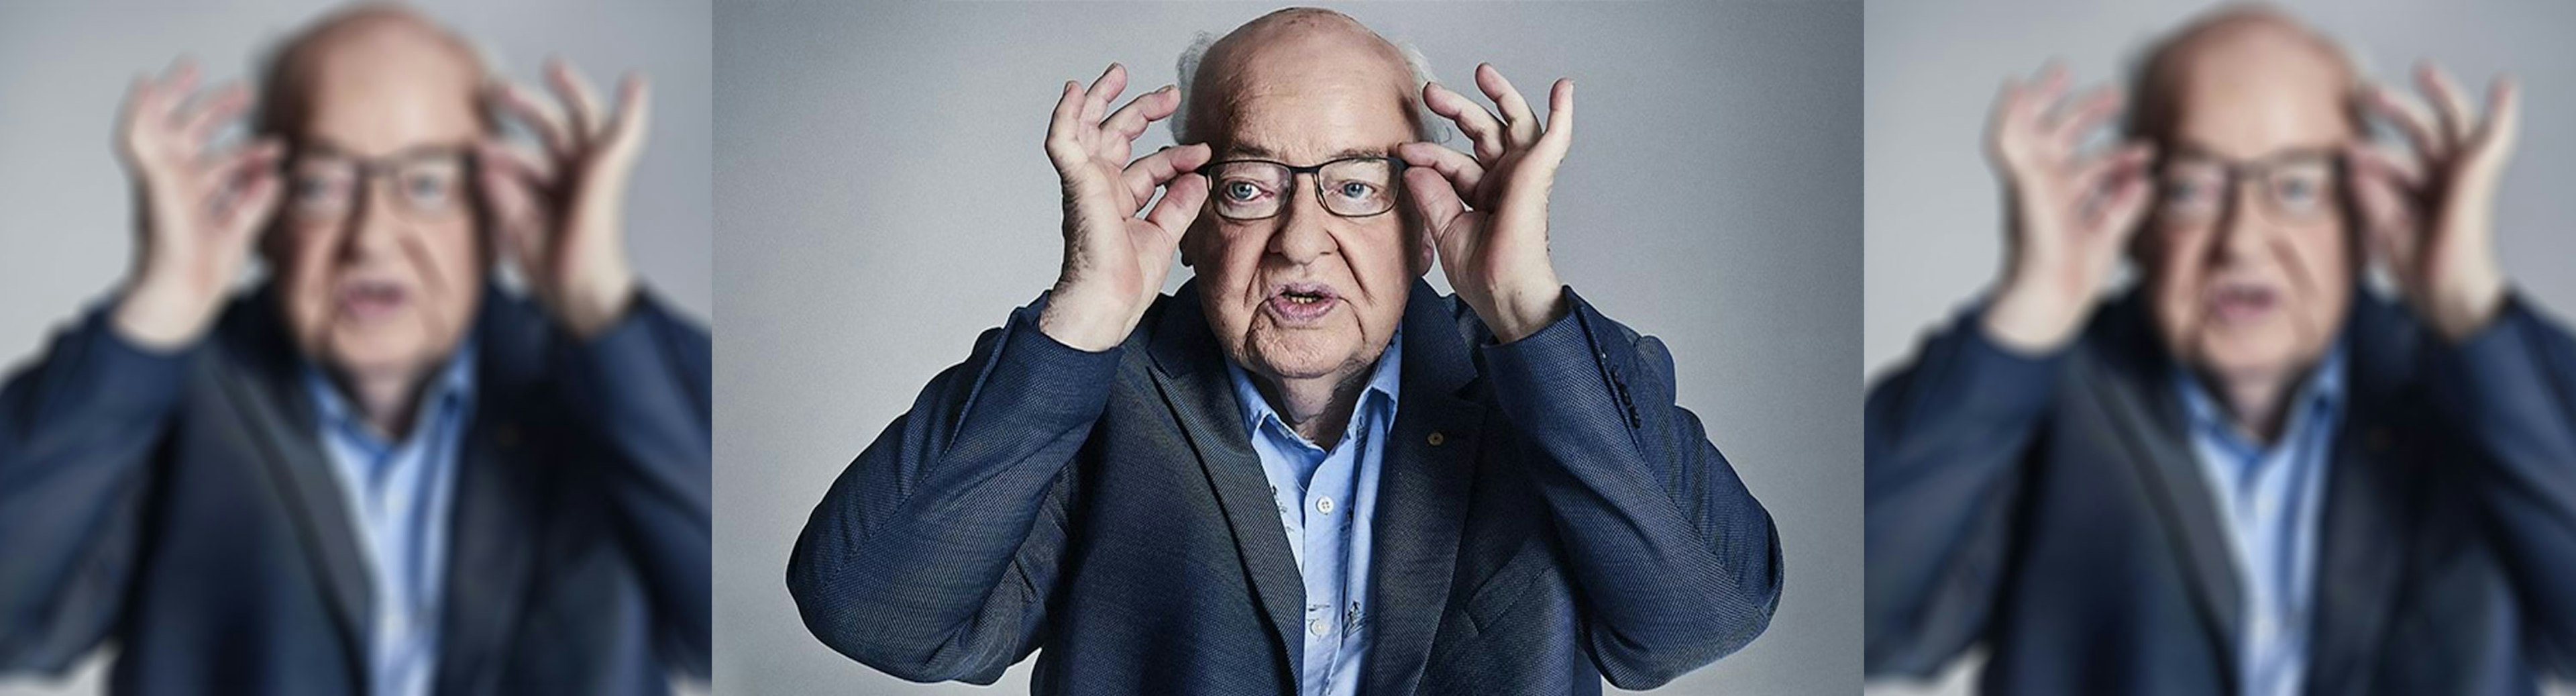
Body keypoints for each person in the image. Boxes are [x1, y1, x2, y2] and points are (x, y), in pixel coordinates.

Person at [787, 7, 1780, 695]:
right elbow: (875, 612)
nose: (1302, 240)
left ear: (1426, 217)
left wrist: (1526, 304)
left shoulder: (1548, 386)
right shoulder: (1099, 399)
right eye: (1252, 185)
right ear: (1191, 213)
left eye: (1355, 185)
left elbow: (1703, 620)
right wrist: (1083, 316)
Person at [1864, 7, 2576, 695]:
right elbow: (1860, 613)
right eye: (2192, 188)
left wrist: (2470, 309)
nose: (2240, 239)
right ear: (2135, 211)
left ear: (2363, 208)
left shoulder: (2471, 390)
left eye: (2295, 186)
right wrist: (2030, 310)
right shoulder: (2048, 395)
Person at [0, 5, 710, 694]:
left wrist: (599, 303)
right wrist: (159, 307)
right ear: (265, 207)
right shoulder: (172, 394)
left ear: (492, 205)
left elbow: (727, 617)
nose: (371, 236)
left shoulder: (602, 389)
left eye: (427, 183)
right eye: (322, 184)